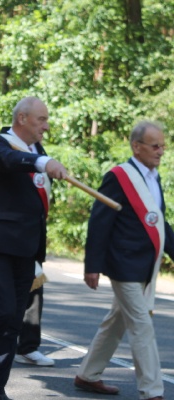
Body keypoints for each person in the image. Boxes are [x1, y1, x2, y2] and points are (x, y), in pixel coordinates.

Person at [0, 97, 67, 400]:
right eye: (41, 119)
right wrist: (42, 163)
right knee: (2, 310)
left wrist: (42, 160)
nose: (46, 126)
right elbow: (7, 161)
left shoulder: (37, 151)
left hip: (27, 246)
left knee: (13, 321)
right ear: (22, 118)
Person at [74, 121, 174, 400]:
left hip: (146, 266)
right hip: (123, 265)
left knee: (116, 322)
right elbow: (99, 222)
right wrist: (92, 265)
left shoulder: (154, 177)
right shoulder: (119, 177)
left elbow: (159, 223)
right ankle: (152, 391)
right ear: (136, 147)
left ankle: (87, 375)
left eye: (163, 145)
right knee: (142, 325)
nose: (161, 151)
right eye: (155, 146)